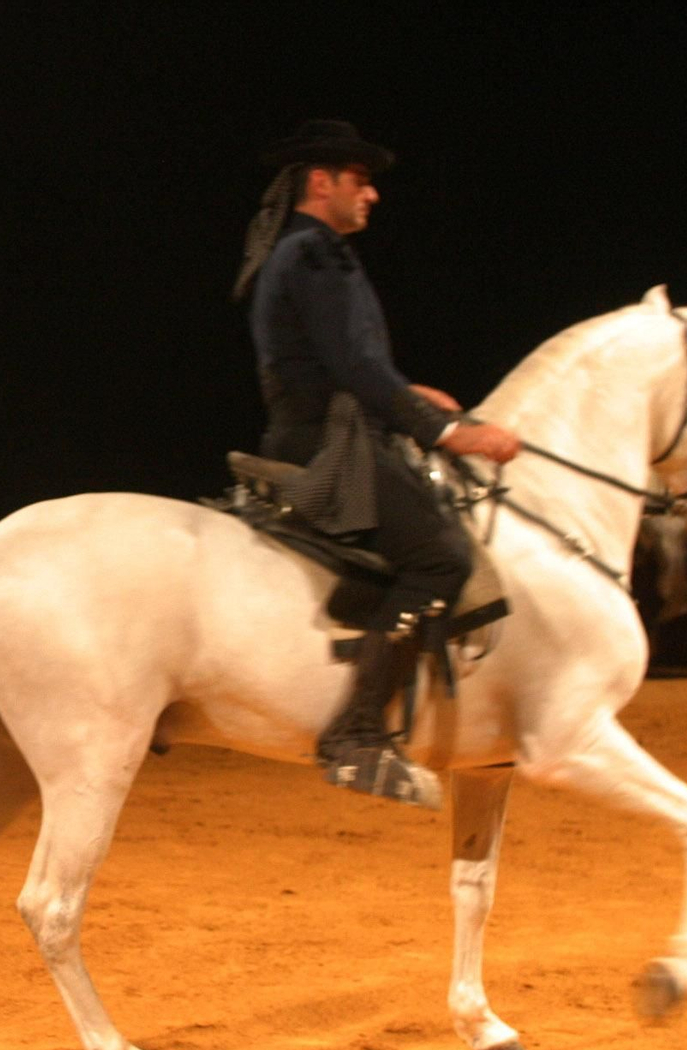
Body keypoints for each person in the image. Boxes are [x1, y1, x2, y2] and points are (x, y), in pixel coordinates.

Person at [233, 120, 521, 808]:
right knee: (443, 560)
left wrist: (410, 394)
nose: (373, 196)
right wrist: (449, 431)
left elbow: (342, 364)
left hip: (324, 425)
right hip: (330, 445)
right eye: (362, 181)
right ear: (321, 182)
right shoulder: (315, 255)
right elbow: (356, 368)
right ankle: (358, 732)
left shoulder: (301, 253)